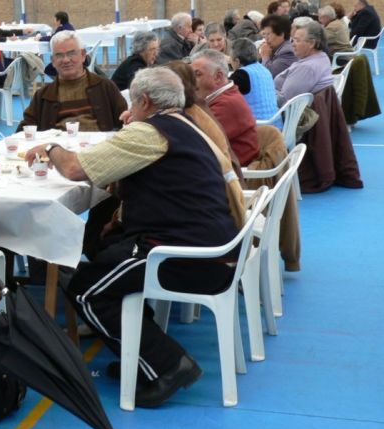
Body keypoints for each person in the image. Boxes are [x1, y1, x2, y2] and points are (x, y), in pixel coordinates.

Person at [24, 66, 243, 408]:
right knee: (104, 252)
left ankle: (168, 363)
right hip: (213, 244)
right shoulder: (185, 123)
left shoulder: (150, 134)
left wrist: (50, 147)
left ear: (143, 100)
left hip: (186, 255)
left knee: (85, 291)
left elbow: (74, 169)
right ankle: (139, 354)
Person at [19, 30, 126, 132]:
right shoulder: (43, 96)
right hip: (57, 149)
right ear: (53, 61)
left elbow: (126, 123)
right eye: (59, 55)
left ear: (83, 55)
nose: (66, 60)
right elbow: (24, 130)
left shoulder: (105, 87)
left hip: (98, 149)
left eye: (71, 53)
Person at [191, 49, 259, 166]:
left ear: (218, 77)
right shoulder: (227, 96)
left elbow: (196, 143)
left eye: (197, 75)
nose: (191, 82)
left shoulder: (226, 104)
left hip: (235, 176)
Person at [274, 21, 334, 107]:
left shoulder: (307, 68)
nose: (293, 44)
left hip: (284, 115)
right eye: (292, 40)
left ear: (312, 43)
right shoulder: (322, 57)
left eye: (297, 40)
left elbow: (284, 101)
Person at [229, 38, 280, 128]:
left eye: (231, 60)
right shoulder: (265, 70)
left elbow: (220, 93)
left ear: (237, 61)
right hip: (278, 127)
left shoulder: (241, 75)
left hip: (259, 129)